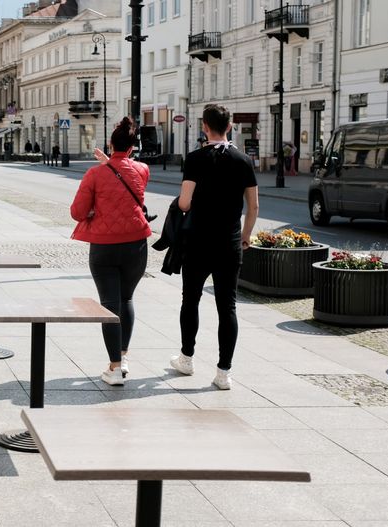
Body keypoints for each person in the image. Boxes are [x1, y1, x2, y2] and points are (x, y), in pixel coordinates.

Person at [171, 104, 259, 390]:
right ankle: (223, 373)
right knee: (227, 306)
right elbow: (253, 206)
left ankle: (187, 359)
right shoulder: (243, 160)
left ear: (204, 127)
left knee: (190, 300)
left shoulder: (195, 159)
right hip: (229, 243)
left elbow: (185, 202)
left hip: (197, 242)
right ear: (229, 126)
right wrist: (245, 235)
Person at [69, 117, 152, 386]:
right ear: (132, 148)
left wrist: (95, 210)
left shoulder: (94, 174)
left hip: (104, 248)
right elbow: (125, 175)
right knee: (126, 300)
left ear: (110, 144)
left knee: (109, 305)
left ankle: (114, 368)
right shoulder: (142, 170)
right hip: (136, 245)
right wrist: (113, 162)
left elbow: (77, 212)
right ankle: (123, 359)